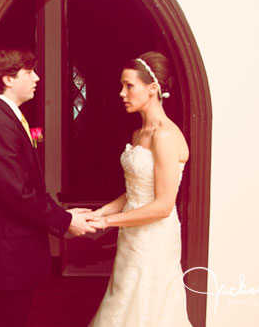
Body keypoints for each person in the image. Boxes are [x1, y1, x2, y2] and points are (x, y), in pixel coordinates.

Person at [0, 45, 96, 327]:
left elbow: (25, 189)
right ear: (7, 78)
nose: (37, 78)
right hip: (3, 260)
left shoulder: (5, 116)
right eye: (29, 72)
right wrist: (65, 221)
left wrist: (63, 215)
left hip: (9, 258)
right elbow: (20, 195)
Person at [87, 51, 192, 326]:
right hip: (131, 236)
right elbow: (135, 191)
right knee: (121, 301)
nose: (122, 93)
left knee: (145, 309)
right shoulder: (139, 134)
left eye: (129, 85)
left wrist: (107, 222)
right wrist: (99, 213)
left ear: (153, 88)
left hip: (154, 237)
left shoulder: (165, 135)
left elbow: (163, 206)